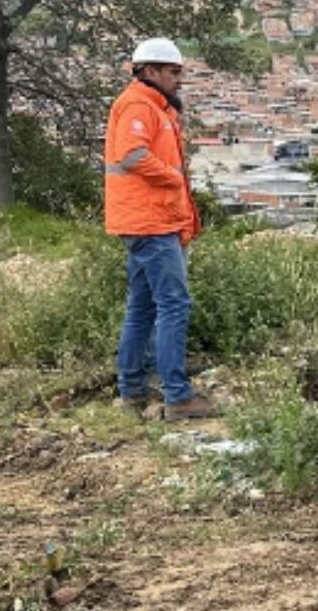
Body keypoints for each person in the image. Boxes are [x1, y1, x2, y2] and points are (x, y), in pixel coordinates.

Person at [103, 37, 218, 420]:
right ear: (149, 71)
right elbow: (133, 155)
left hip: (142, 221)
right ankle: (177, 395)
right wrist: (171, 177)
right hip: (151, 222)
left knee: (142, 307)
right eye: (172, 72)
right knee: (173, 304)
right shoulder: (139, 105)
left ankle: (133, 389)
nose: (178, 79)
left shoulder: (152, 105)